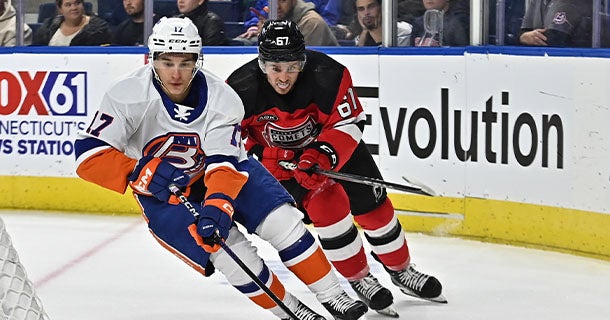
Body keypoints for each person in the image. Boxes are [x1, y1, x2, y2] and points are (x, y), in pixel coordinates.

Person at [74, 16, 367, 320]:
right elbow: (87, 156)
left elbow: (224, 163)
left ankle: (334, 295)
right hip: (165, 196)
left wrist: (218, 204)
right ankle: (291, 310)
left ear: (197, 61)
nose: (176, 73)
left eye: (185, 63)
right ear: (151, 59)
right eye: (167, 62)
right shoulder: (127, 95)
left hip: (224, 172)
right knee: (229, 252)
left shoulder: (222, 98)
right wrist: (138, 171)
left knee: (284, 222)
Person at [227, 19, 447, 318]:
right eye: (275, 68)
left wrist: (321, 155)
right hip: (281, 166)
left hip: (334, 149)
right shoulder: (239, 88)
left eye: (291, 66)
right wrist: (268, 154)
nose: (283, 77)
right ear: (262, 63)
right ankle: (359, 278)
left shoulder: (328, 75)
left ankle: (401, 270)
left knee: (375, 206)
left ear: (302, 61)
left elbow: (350, 122)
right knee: (327, 206)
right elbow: (231, 141)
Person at [32, 0, 111, 46]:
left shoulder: (99, 30)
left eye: (77, 3)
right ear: (60, 9)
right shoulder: (48, 27)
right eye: (68, 5)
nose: (74, 8)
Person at [519, 0, 592, 47]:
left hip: (573, 62)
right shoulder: (537, 2)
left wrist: (527, 38)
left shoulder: (572, 2)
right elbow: (521, 33)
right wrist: (522, 37)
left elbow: (554, 39)